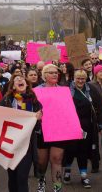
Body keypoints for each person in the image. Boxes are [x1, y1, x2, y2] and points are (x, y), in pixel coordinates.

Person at [1, 74, 42, 192]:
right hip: (10, 145)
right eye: (16, 79)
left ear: (26, 84)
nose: (20, 79)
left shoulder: (33, 100)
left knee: (22, 178)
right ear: (13, 86)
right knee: (12, 178)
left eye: (22, 78)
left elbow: (38, 126)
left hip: (26, 146)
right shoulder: (7, 100)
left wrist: (38, 119)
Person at [63, 70, 102, 189]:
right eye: (78, 78)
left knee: (83, 150)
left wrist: (100, 124)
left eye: (83, 79)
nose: (80, 81)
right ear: (73, 78)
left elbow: (99, 106)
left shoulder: (91, 90)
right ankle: (67, 172)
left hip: (86, 126)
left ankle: (84, 175)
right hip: (70, 125)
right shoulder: (66, 90)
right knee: (70, 150)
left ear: (86, 79)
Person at [36, 64, 65, 192]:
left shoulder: (64, 90)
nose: (55, 74)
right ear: (44, 76)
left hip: (59, 129)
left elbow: (69, 111)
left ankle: (57, 186)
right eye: (51, 72)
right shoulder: (36, 90)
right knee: (42, 161)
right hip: (41, 129)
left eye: (56, 72)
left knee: (56, 158)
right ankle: (41, 179)